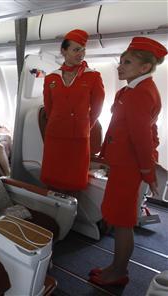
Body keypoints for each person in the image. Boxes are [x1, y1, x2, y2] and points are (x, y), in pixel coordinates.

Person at [89, 37, 166, 287]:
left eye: (128, 62)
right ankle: (115, 266)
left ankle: (119, 272)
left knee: (123, 223)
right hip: (123, 164)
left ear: (144, 67)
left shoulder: (140, 94)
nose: (120, 67)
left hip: (130, 168)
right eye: (121, 61)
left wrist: (147, 171)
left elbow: (142, 138)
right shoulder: (133, 89)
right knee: (118, 217)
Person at [40, 29, 105, 192]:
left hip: (79, 137)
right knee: (53, 177)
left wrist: (84, 126)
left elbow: (97, 107)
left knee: (73, 180)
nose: (81, 54)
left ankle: (71, 212)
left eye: (83, 50)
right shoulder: (51, 78)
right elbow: (49, 107)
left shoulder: (93, 76)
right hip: (55, 135)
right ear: (64, 51)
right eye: (76, 49)